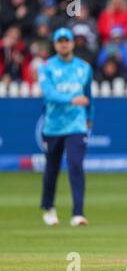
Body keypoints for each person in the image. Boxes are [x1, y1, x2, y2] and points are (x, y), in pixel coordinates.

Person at [38, 27, 94, 227]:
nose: (63, 43)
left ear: (72, 43)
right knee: (52, 168)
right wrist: (72, 99)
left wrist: (89, 116)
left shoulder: (84, 67)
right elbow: (49, 94)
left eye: (66, 40)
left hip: (77, 125)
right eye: (59, 40)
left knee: (76, 165)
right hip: (53, 126)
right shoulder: (46, 67)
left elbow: (88, 95)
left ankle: (78, 213)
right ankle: (49, 208)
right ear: (55, 44)